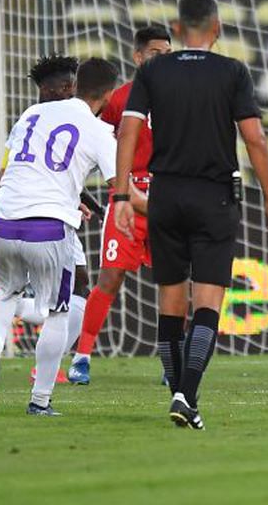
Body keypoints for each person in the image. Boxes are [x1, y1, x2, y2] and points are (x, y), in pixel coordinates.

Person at [113, 0, 268, 430]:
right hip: (214, 196)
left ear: (175, 29)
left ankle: (178, 392)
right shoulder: (231, 71)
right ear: (217, 29)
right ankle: (185, 395)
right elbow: (255, 140)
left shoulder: (152, 70)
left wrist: (119, 196)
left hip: (165, 196)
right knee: (207, 303)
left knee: (171, 303)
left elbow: (128, 132)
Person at [0, 58, 122, 417]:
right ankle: (40, 401)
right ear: (108, 94)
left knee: (5, 292)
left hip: (4, 220)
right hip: (49, 226)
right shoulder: (98, 130)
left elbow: (4, 174)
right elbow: (120, 187)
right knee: (61, 310)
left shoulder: (30, 115)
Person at [68, 25, 172, 385]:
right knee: (109, 278)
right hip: (127, 197)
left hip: (166, 198)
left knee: (174, 282)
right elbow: (85, 139)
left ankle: (170, 360)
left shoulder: (181, 96)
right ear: (138, 56)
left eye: (168, 53)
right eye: (157, 53)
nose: (164, 60)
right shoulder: (118, 99)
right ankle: (81, 356)